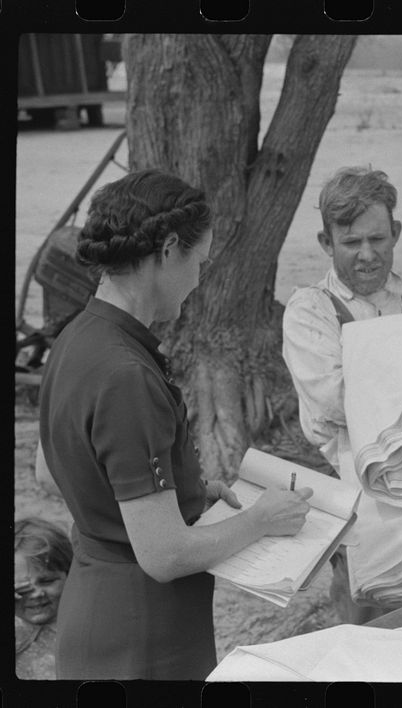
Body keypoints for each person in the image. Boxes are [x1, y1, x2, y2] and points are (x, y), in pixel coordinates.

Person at [38, 169, 314, 680]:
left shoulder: (77, 337)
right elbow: (163, 555)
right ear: (167, 250)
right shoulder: (126, 375)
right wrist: (262, 520)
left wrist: (178, 490)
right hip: (143, 631)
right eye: (200, 262)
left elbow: (49, 469)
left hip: (93, 605)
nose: (200, 279)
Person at [282, 166, 402, 623]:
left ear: (395, 232)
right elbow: (337, 401)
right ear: (326, 242)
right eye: (352, 243)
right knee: (367, 621)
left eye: (378, 239)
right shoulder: (311, 311)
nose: (368, 255)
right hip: (356, 497)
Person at [14, 517, 73, 679]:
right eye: (22, 588)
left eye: (46, 581)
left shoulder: (80, 625)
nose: (36, 593)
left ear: (69, 575)